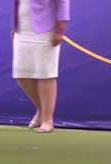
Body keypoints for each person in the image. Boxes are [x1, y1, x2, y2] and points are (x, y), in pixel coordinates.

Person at [12, 0, 70, 133]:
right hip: (22, 29)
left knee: (45, 74)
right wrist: (14, 27)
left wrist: (60, 29)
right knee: (21, 74)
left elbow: (62, 3)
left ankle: (47, 120)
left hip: (46, 29)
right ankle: (42, 110)